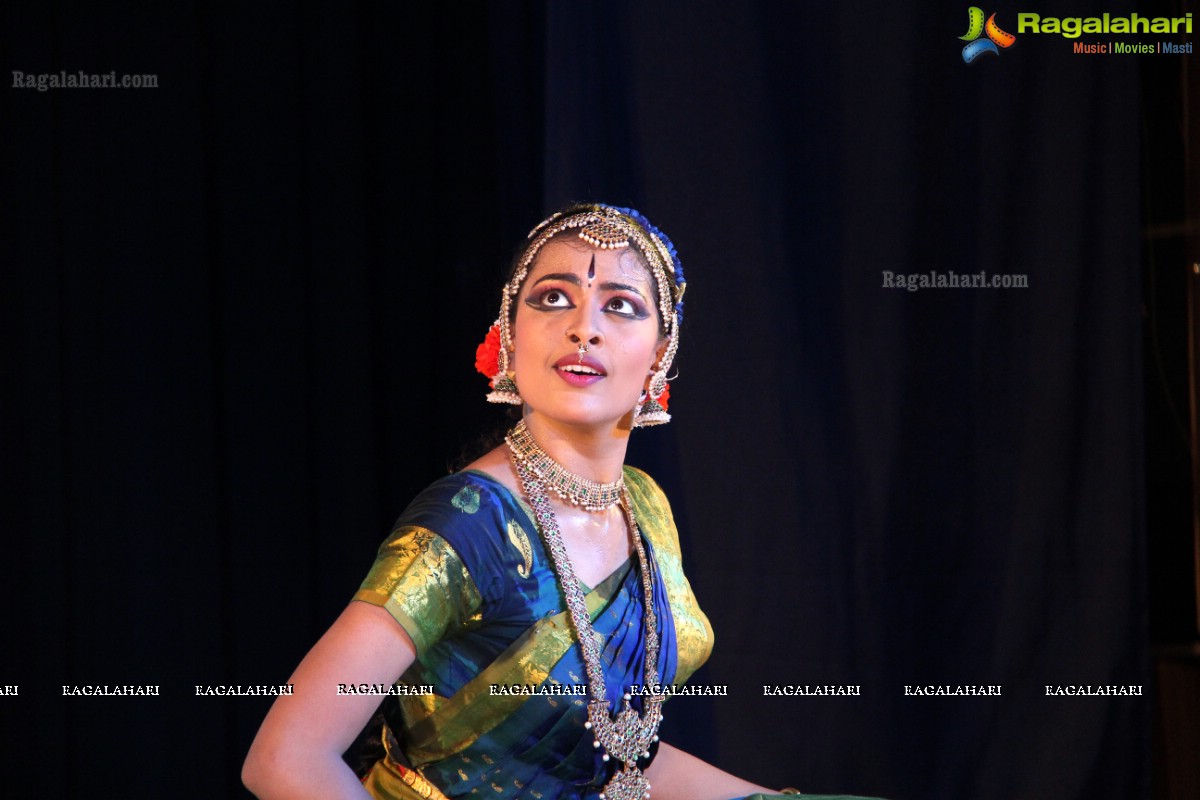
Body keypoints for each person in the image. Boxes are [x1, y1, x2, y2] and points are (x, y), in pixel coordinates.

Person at [243, 204, 879, 800]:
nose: (583, 328)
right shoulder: (471, 523)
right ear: (509, 336)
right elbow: (285, 756)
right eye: (552, 299)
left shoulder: (643, 507)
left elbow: (610, 753)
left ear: (661, 354)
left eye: (621, 305)